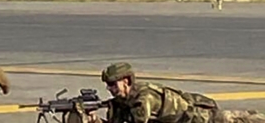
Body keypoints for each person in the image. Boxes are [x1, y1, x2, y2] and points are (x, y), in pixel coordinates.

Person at [71, 62, 265, 123]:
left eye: (113, 85)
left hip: (201, 117)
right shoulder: (125, 99)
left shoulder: (143, 99)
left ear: (127, 81)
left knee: (242, 119)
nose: (110, 89)